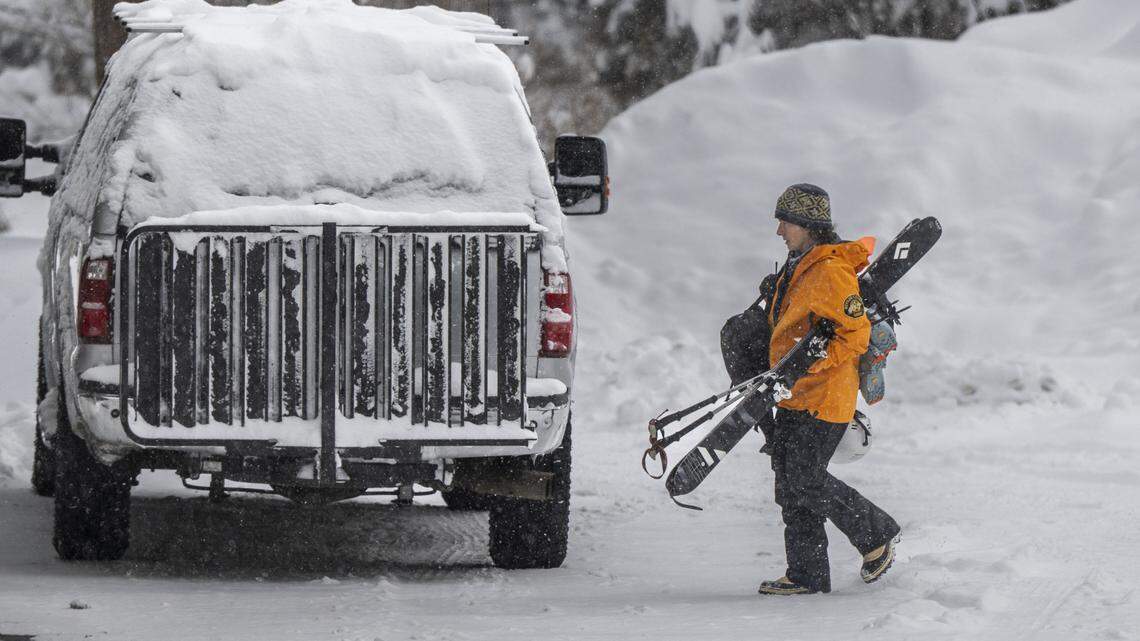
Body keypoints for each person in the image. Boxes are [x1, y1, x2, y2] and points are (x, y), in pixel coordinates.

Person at [756, 183, 901, 596]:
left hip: (823, 398)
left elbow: (853, 337)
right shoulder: (801, 266)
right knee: (789, 484)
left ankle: (876, 535)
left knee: (804, 479)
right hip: (795, 395)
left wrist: (807, 367)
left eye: (786, 222)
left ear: (808, 225)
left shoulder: (831, 271)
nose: (780, 230)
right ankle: (806, 574)